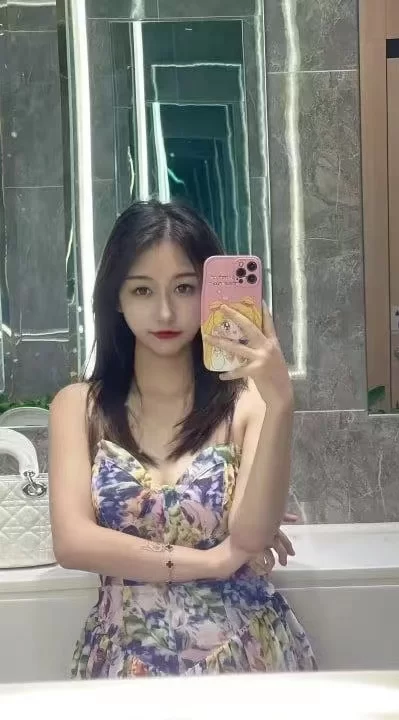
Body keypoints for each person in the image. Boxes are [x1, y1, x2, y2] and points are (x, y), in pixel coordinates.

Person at [49, 200, 316, 678]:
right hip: (124, 661)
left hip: (245, 654)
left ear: (211, 293)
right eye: (142, 290)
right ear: (116, 298)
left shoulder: (248, 403)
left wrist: (281, 402)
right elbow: (73, 543)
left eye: (185, 288)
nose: (165, 311)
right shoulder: (78, 407)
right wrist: (215, 561)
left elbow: (251, 535)